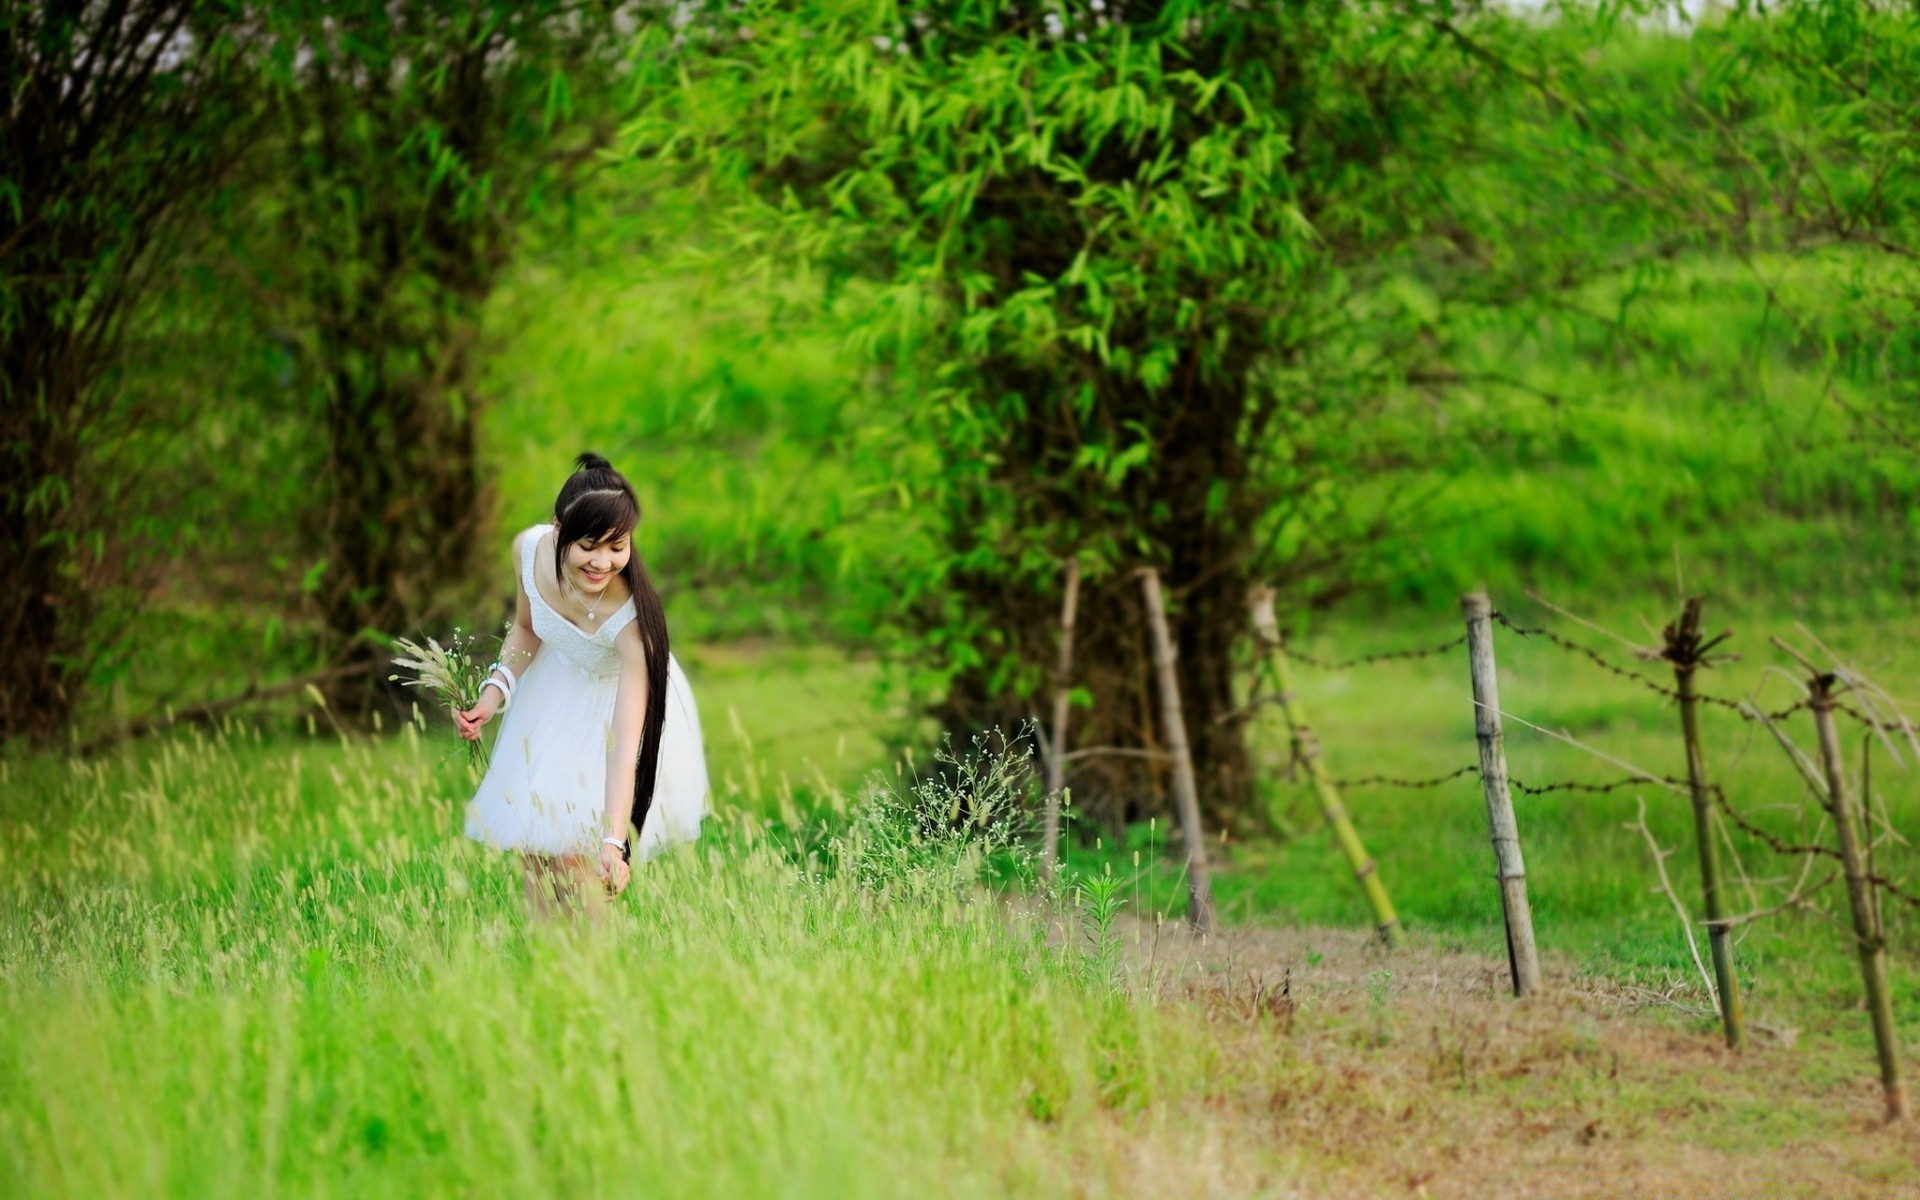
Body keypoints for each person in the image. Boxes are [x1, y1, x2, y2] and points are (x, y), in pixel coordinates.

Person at [456, 453, 708, 918]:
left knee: (580, 863)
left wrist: (615, 842)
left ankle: (593, 971)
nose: (603, 562)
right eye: (589, 545)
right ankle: (549, 966)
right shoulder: (529, 549)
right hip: (555, 693)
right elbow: (527, 628)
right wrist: (492, 697)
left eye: (618, 546)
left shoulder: (634, 625)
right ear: (558, 529)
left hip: (616, 715)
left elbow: (623, 743)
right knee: (537, 851)